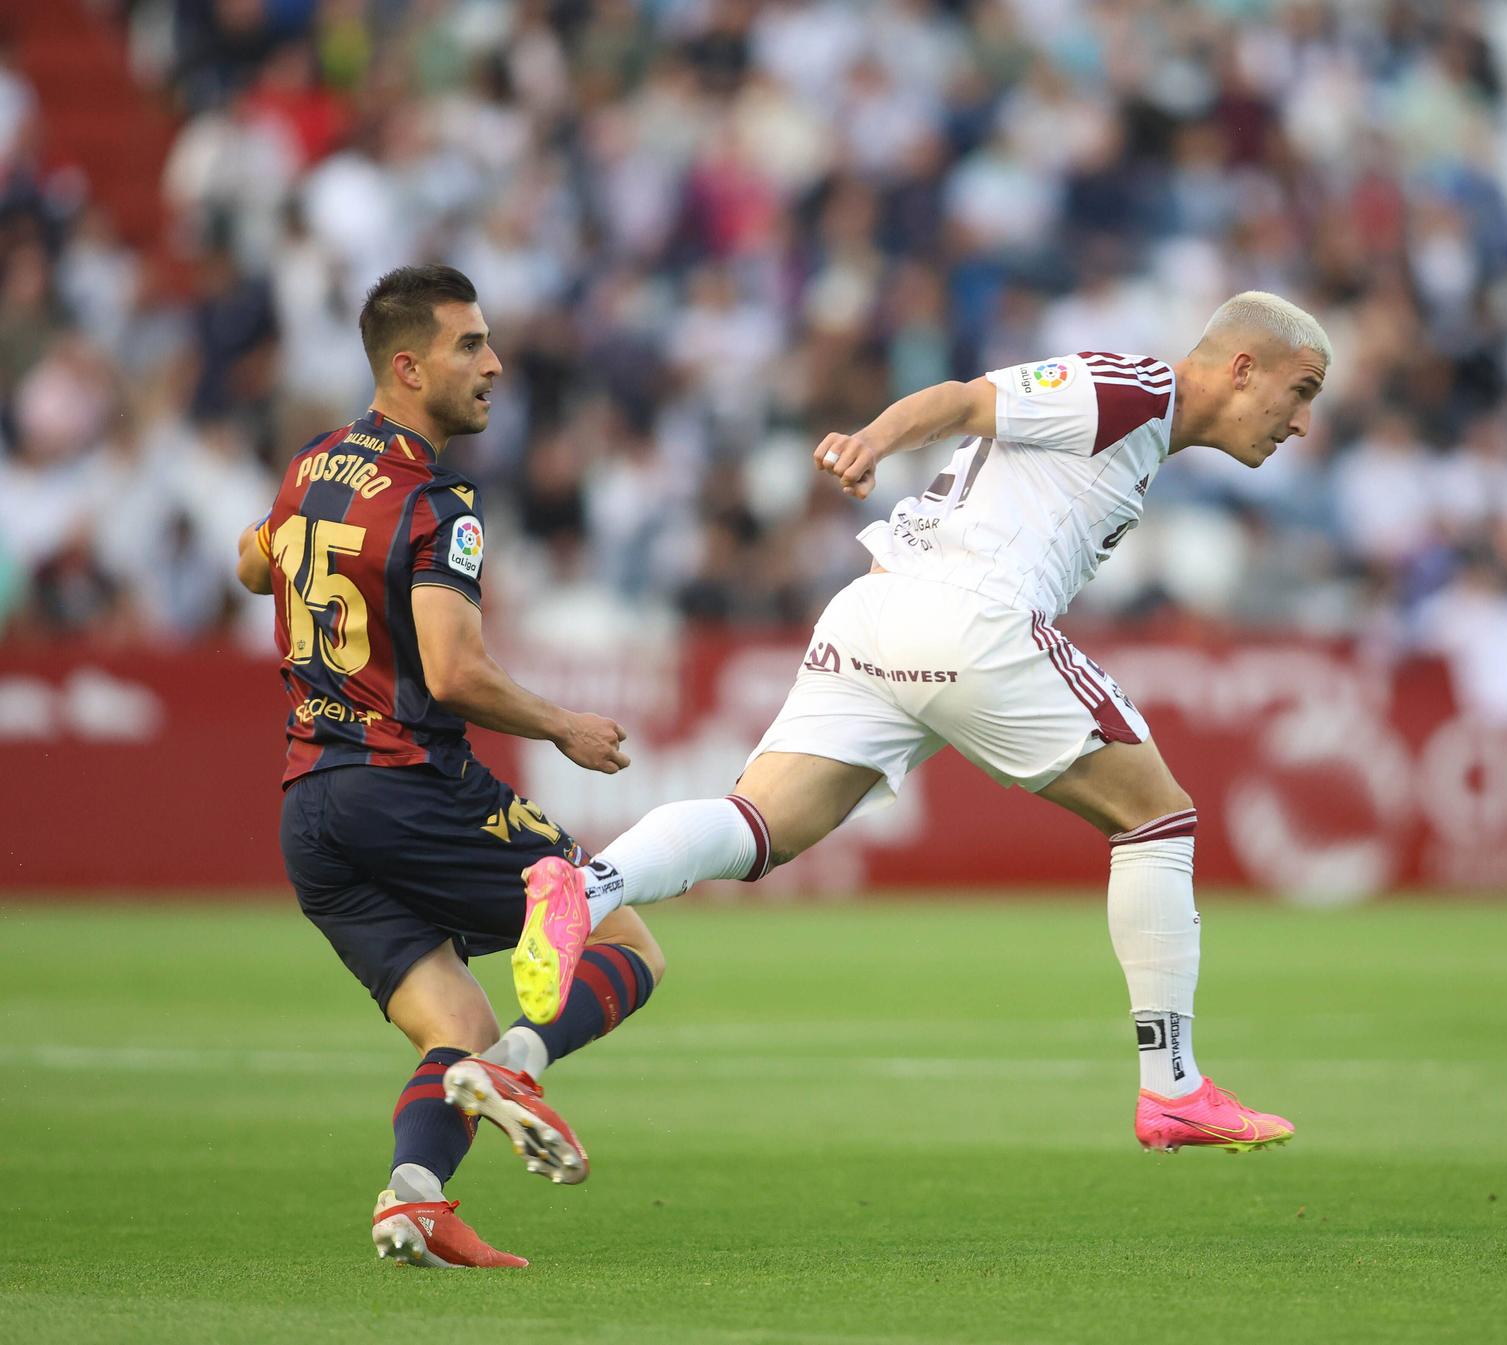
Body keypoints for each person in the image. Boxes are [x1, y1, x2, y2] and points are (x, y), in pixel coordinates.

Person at [513, 291, 1329, 1153]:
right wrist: (872, 442)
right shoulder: (1130, 385)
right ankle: (1172, 1086)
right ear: (1243, 368)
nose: (1303, 422)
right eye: (1302, 390)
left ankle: (584, 885)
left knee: (761, 827)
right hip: (972, 616)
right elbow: (967, 398)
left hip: (876, 611)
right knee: (1158, 815)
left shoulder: (1144, 428)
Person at [236, 264, 663, 1267]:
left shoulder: (312, 466)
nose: (494, 364)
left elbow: (253, 564)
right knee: (628, 939)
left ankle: (413, 1198)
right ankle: (519, 1069)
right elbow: (453, 668)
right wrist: (562, 725)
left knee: (455, 1020)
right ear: (405, 363)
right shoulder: (437, 502)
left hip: (312, 811)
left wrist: (288, 555)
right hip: (406, 786)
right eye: (469, 346)